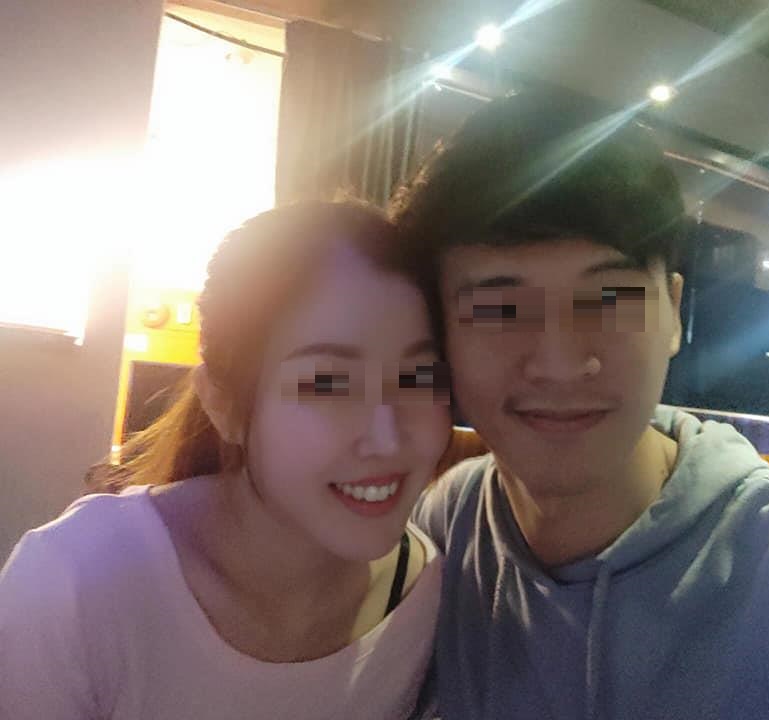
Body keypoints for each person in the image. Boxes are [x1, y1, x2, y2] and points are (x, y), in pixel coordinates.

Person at [390, 89, 769, 720]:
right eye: (499, 308)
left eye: (609, 298)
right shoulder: (450, 525)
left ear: (673, 312)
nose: (557, 361)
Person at [0, 200, 451, 719]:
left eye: (420, 378)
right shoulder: (74, 583)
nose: (387, 437)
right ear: (223, 405)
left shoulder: (429, 596)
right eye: (329, 384)